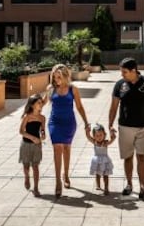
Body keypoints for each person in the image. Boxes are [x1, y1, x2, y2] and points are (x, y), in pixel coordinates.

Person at [108, 57, 144, 201]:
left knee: (142, 157)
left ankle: (143, 188)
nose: (122, 75)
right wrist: (110, 125)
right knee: (128, 157)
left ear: (134, 71)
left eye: (124, 72)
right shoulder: (120, 85)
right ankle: (129, 184)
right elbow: (113, 106)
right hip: (125, 126)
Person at [43, 64, 90, 197]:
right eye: (55, 77)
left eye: (59, 77)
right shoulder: (50, 89)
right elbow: (42, 103)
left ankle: (66, 174)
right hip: (54, 123)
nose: (57, 80)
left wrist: (86, 123)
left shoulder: (72, 89)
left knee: (67, 149)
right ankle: (58, 181)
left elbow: (80, 107)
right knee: (57, 148)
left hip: (69, 123)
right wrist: (31, 113)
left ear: (65, 76)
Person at [19, 94, 46, 197]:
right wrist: (32, 138)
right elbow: (21, 131)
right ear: (32, 105)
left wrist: (43, 135)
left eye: (41, 103)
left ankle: (36, 187)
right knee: (26, 166)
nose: (41, 105)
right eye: (39, 103)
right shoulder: (27, 117)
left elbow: (42, 130)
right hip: (26, 144)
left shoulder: (42, 118)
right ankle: (26, 177)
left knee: (35, 166)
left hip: (37, 145)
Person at [86, 123, 116, 195]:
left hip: (105, 160)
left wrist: (112, 133)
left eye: (101, 135)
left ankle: (106, 188)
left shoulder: (105, 143)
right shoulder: (94, 142)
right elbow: (88, 137)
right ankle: (98, 185)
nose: (99, 137)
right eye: (97, 135)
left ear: (104, 135)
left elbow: (112, 140)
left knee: (106, 174)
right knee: (97, 173)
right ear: (94, 136)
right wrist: (87, 131)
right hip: (97, 160)